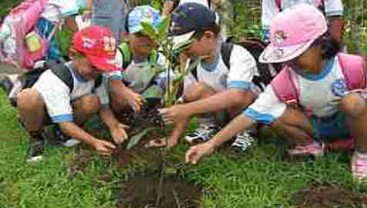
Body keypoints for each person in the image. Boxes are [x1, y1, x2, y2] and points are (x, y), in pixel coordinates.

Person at [185, 4, 367, 181]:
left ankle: (363, 154)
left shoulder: (351, 66)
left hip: (350, 124)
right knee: (270, 112)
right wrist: (210, 144)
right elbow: (250, 114)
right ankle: (310, 145)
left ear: (322, 45)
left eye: (297, 56)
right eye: (287, 58)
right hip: (316, 125)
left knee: (352, 102)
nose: (291, 63)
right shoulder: (287, 79)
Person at [149, 3, 260, 151]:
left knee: (243, 95)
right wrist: (173, 138)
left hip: (248, 114)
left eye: (186, 46)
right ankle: (210, 126)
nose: (183, 52)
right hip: (222, 112)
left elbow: (237, 96)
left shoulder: (236, 54)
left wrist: (186, 109)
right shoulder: (193, 63)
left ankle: (246, 132)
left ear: (208, 36)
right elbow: (187, 100)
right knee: (194, 91)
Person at [17, 26, 127, 161]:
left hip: (66, 110)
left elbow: (103, 106)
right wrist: (94, 142)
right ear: (73, 54)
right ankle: (36, 136)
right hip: (42, 113)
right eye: (93, 66)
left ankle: (61, 134)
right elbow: (65, 123)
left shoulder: (96, 76)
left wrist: (114, 126)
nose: (98, 71)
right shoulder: (57, 78)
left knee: (93, 101)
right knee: (28, 97)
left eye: (102, 68)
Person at [108, 5, 171, 115]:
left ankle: (150, 116)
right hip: (123, 98)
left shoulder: (159, 58)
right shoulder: (120, 54)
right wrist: (128, 94)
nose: (146, 39)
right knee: (118, 96)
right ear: (126, 36)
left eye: (151, 34)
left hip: (144, 96)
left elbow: (170, 82)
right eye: (140, 34)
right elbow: (113, 82)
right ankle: (123, 117)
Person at [261, 0, 344, 45]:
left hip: (320, 42)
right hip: (290, 44)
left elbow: (335, 18)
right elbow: (271, 31)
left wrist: (333, 52)